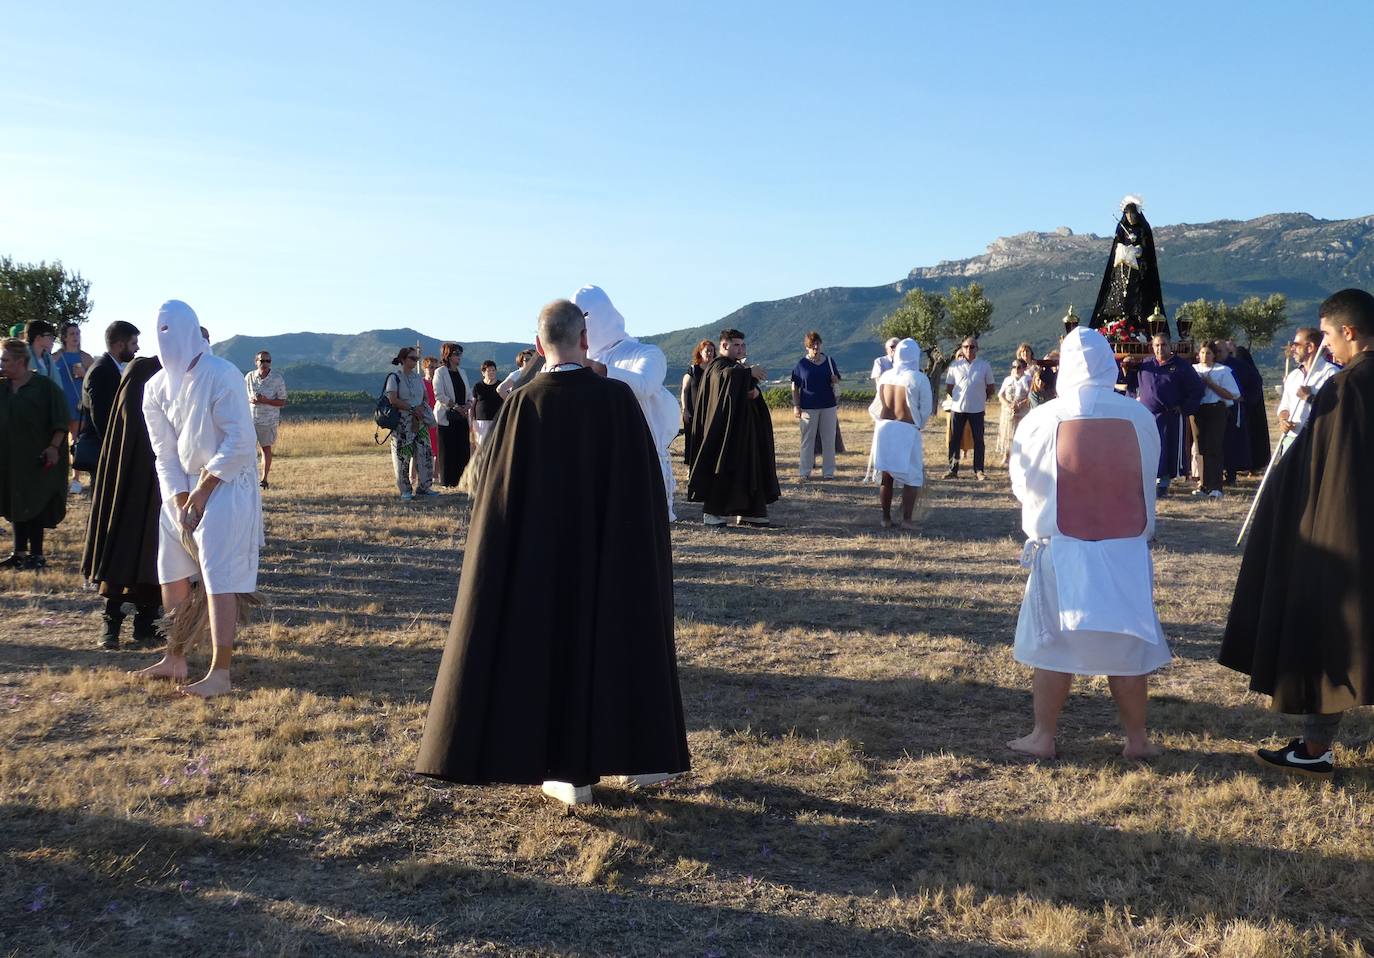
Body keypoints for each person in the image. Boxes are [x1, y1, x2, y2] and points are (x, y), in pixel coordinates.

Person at [414, 298, 689, 807]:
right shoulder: (617, 401)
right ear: (584, 341)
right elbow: (643, 491)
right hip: (610, 554)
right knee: (617, 640)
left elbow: (498, 500)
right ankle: (635, 755)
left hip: (542, 561)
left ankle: (566, 770)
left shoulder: (523, 405)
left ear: (539, 346)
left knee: (550, 648)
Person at [1219, 289, 1374, 779]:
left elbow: (1331, 468)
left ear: (1349, 332)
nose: (1325, 345)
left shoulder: (1348, 386)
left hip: (1344, 530)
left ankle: (1313, 748)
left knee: (1328, 635)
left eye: (1327, 334)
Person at [1007, 328, 1170, 760]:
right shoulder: (1137, 416)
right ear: (1109, 364)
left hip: (1062, 548)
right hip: (1124, 550)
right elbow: (1149, 471)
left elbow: (1022, 484)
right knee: (1128, 647)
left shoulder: (1041, 418)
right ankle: (1137, 739)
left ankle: (1044, 735)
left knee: (1054, 648)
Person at [132, 301, 263, 697]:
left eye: (174, 329)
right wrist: (179, 499)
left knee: (218, 574)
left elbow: (240, 441)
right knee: (170, 570)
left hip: (225, 482)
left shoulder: (222, 374)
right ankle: (175, 657)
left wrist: (203, 492)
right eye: (161, 330)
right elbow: (164, 453)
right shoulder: (154, 388)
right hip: (181, 488)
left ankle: (220, 672)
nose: (166, 337)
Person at [574, 285, 681, 522]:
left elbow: (643, 385)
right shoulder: (579, 361)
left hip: (644, 458)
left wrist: (597, 369)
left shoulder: (646, 353)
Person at [81, 356, 164, 650]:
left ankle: (147, 622)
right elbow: (133, 420)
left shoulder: (182, 379)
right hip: (131, 482)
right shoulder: (143, 371)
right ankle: (111, 622)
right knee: (122, 546)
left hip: (162, 485)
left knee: (156, 554)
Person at [687, 328, 780, 528]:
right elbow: (725, 378)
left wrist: (753, 391)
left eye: (742, 345)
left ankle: (750, 511)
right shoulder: (717, 366)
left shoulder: (735, 367)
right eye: (736, 345)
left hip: (743, 431)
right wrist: (748, 373)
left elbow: (743, 389)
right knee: (722, 466)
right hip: (723, 434)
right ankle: (713, 513)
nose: (740, 348)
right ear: (724, 345)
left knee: (748, 468)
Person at [0, 337, 70, 569]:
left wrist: (53, 447)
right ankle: (19, 552)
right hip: (10, 458)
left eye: (5, 360)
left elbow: (60, 420)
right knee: (15, 500)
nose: (2, 364)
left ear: (20, 361)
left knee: (36, 501)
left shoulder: (44, 387)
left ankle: (37, 555)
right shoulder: (3, 388)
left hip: (39, 457)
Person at [1123, 333, 1204, 496]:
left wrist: (1184, 407)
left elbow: (1197, 389)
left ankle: (1163, 483)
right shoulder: (1146, 365)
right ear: (1152, 347)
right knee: (1147, 448)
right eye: (1157, 345)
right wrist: (1126, 368)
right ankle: (1148, 480)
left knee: (1167, 449)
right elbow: (1131, 386)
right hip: (1147, 417)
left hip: (1170, 417)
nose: (1160, 348)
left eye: (1163, 345)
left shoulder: (1181, 366)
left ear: (1170, 346)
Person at [866, 338, 931, 529]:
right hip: (906, 429)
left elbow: (876, 406)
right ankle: (907, 519)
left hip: (885, 428)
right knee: (912, 477)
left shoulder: (885, 376)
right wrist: (919, 425)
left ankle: (885, 518)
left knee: (887, 476)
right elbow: (926, 409)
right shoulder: (918, 378)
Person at [75, 321, 141, 492]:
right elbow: (101, 417)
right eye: (133, 343)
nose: (137, 348)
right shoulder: (102, 371)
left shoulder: (108, 368)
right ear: (120, 345)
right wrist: (115, 448)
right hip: (103, 451)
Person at [1090, 196, 1166, 338]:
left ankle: (1137, 325)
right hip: (1122, 271)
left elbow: (1147, 249)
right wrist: (1123, 248)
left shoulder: (1143, 228)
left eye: (1132, 214)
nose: (1130, 217)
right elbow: (1116, 247)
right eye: (1127, 214)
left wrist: (1139, 250)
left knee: (1138, 300)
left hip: (1138, 273)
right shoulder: (1121, 228)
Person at [1275, 326, 1338, 456]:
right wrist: (1283, 420)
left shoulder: (1331, 373)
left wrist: (1310, 397)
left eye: (1296, 345)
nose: (1292, 349)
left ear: (1310, 347)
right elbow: (1285, 406)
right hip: (1291, 439)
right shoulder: (1293, 376)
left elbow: (1336, 408)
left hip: (1317, 440)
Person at [386, 347, 438, 500]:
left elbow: (425, 398)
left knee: (425, 454)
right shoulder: (394, 378)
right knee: (403, 456)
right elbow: (393, 399)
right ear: (403, 360)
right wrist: (411, 408)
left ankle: (424, 487)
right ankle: (405, 490)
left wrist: (420, 409)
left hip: (419, 421)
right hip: (403, 423)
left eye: (416, 359)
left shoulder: (418, 379)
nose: (415, 361)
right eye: (412, 358)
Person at [942, 337, 996, 480]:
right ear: (962, 347)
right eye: (966, 346)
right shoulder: (954, 366)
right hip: (958, 408)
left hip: (977, 409)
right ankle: (953, 469)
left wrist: (980, 398)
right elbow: (949, 387)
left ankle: (979, 470)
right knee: (954, 440)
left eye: (972, 347)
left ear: (977, 349)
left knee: (979, 440)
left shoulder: (984, 366)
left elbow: (991, 388)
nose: (968, 349)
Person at [1190, 341, 1239, 498]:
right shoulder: (1193, 370)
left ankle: (1216, 486)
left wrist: (1210, 384)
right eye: (1202, 353)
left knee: (1214, 447)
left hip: (1216, 409)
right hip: (1198, 410)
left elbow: (1232, 394)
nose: (1205, 356)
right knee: (1200, 448)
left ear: (1214, 355)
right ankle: (1203, 485)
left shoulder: (1223, 370)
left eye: (1208, 353)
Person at [791, 331, 842, 480]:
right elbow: (794, 387)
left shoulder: (830, 361)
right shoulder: (801, 364)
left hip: (828, 406)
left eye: (817, 343)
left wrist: (835, 380)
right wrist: (796, 405)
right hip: (808, 407)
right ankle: (804, 472)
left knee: (829, 440)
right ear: (807, 347)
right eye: (812, 345)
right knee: (807, 440)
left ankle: (828, 473)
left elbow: (837, 381)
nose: (815, 347)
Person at [53, 322, 95, 493]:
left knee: (76, 441)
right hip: (61, 403)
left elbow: (95, 380)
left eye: (77, 333)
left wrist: (84, 374)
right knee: (60, 441)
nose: (76, 337)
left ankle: (76, 479)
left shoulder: (86, 357)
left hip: (78, 403)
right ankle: (59, 477)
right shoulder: (55, 357)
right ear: (64, 337)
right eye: (72, 334)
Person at [1216, 339, 1261, 483]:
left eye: (1220, 351)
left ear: (1227, 352)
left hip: (1233, 410)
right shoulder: (1211, 366)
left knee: (1232, 442)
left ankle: (1231, 475)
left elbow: (1256, 381)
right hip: (1214, 410)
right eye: (1215, 351)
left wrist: (1245, 397)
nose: (1217, 354)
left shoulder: (1239, 366)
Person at [244, 351, 287, 490]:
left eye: (268, 361)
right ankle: (247, 479)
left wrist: (266, 401)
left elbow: (282, 401)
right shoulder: (249, 377)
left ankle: (264, 479)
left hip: (268, 421)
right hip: (249, 420)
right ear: (256, 361)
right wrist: (250, 400)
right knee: (246, 451)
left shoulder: (277, 378)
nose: (265, 364)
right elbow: (241, 396)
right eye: (262, 361)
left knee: (265, 449)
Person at [432, 342, 470, 488]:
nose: (459, 357)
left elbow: (468, 393)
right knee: (447, 449)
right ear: (448, 355)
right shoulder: (440, 372)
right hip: (447, 416)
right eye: (456, 354)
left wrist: (467, 404)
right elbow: (439, 394)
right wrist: (455, 406)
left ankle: (463, 480)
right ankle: (448, 480)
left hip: (462, 416)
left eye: (460, 354)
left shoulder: (462, 372)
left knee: (463, 448)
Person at [680, 339, 717, 466]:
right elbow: (684, 391)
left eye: (712, 351)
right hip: (693, 413)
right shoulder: (693, 370)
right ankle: (690, 469)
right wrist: (685, 410)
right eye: (707, 351)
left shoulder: (715, 371)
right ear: (700, 352)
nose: (710, 353)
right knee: (691, 441)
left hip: (709, 413)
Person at [997, 358, 1031, 466]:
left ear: (1024, 368)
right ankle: (1006, 456)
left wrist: (1020, 404)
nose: (1016, 369)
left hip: (1023, 410)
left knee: (1020, 434)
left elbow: (1030, 396)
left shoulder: (1028, 380)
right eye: (1014, 367)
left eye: (1019, 367)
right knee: (1007, 433)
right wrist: (1008, 405)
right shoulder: (1008, 380)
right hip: (1008, 410)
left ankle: (1021, 457)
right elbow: (1000, 395)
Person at [419, 355, 441, 482]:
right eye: (431, 367)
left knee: (438, 449)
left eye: (435, 367)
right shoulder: (421, 383)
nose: (433, 369)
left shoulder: (439, 383)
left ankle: (436, 475)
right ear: (424, 368)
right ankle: (418, 476)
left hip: (438, 418)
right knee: (424, 449)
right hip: (425, 420)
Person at [470, 360, 503, 447]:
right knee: (481, 448)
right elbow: (472, 406)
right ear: (483, 372)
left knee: (496, 446)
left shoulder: (501, 386)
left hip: (497, 421)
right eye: (489, 370)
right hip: (480, 423)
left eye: (493, 370)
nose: (492, 372)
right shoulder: (478, 386)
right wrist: (471, 422)